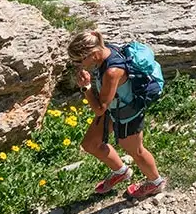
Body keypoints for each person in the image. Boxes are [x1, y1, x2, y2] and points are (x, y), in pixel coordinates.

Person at [69, 29, 167, 200]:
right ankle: (121, 172)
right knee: (90, 144)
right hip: (113, 107)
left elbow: (100, 109)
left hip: (127, 113)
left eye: (79, 60)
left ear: (92, 54)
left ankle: (155, 183)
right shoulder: (106, 50)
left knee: (136, 151)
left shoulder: (112, 72)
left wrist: (86, 87)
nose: (77, 64)